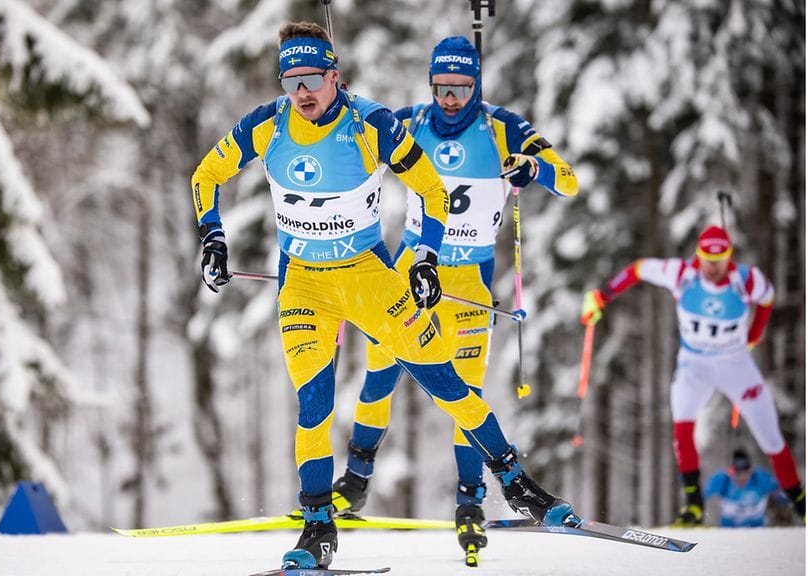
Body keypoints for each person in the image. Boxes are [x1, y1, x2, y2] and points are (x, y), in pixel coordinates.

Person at [191, 22, 576, 570]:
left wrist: (424, 258)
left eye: (311, 79)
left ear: (334, 75)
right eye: (290, 80)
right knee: (314, 405)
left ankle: (515, 482)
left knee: (444, 380)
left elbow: (431, 190)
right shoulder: (267, 126)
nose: (301, 92)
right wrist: (213, 236)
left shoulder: (371, 123)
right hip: (303, 285)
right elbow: (206, 173)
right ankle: (318, 527)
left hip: (371, 279)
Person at [329, 36, 578, 561]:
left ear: (477, 85)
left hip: (468, 285)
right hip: (410, 271)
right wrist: (337, 102)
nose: (450, 98)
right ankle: (356, 477)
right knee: (380, 371)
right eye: (441, 87)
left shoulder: (502, 126)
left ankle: (470, 499)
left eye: (461, 88)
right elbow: (349, 140)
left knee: (465, 392)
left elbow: (569, 181)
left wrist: (534, 169)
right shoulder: (411, 121)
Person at [581, 225, 805, 526]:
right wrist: (602, 295)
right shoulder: (682, 274)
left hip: (735, 364)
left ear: (730, 257)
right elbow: (638, 269)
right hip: (694, 364)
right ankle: (694, 506)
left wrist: (754, 334)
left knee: (771, 437)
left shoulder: (747, 279)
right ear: (698, 255)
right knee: (682, 428)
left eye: (720, 261)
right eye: (707, 260)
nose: (712, 268)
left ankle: (801, 504)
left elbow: (768, 298)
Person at [704, 447, 791, 527]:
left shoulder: (761, 478)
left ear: (750, 471)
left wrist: (784, 509)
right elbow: (703, 495)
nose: (742, 479)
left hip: (758, 529)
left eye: (745, 475)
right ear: (732, 472)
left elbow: (780, 491)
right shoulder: (723, 479)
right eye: (737, 475)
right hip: (729, 530)